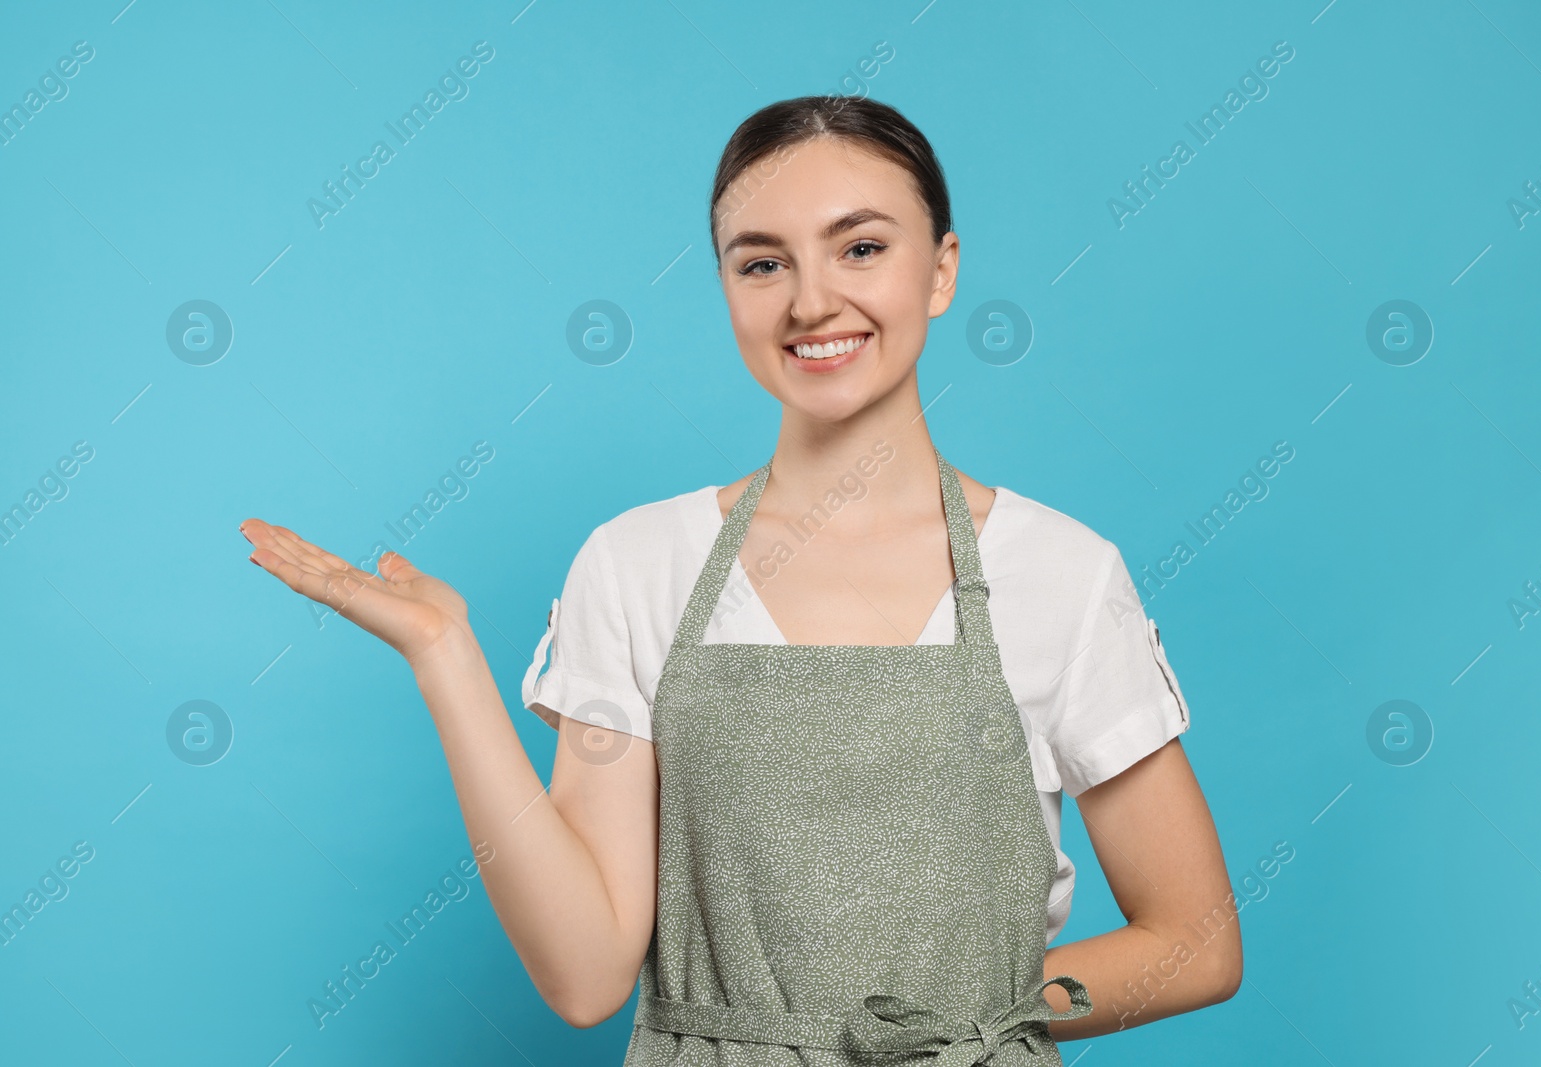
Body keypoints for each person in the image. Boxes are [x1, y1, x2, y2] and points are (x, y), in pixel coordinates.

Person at [241, 95, 1241, 1064]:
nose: (812, 300)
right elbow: (586, 975)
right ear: (724, 286)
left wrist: (995, 1021)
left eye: (861, 247)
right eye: (762, 262)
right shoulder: (636, 565)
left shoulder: (1061, 573)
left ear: (940, 270)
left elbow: (1194, 939)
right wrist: (445, 656)